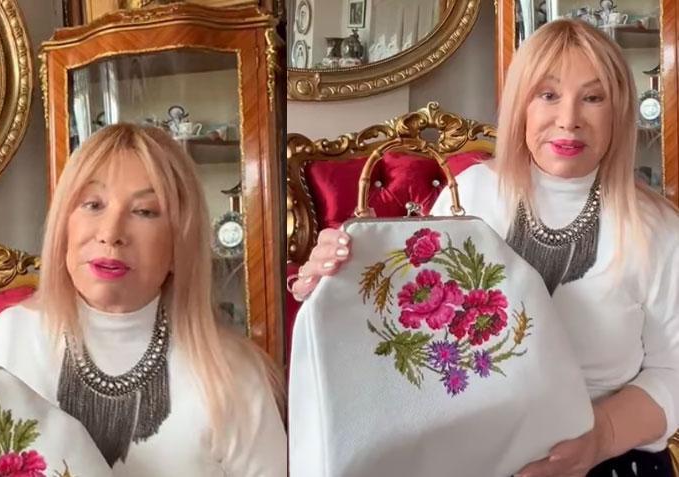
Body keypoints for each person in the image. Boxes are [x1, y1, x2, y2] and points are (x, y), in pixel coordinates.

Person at [290, 19, 679, 477]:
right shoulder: (472, 193)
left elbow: (673, 371)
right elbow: (402, 323)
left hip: (610, 462)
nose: (569, 119)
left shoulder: (658, 230)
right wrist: (335, 281)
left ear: (620, 111)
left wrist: (600, 438)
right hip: (467, 457)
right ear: (520, 106)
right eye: (548, 94)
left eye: (593, 98)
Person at [0, 124, 287, 476]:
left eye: (144, 211)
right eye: (92, 204)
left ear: (180, 242)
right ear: (63, 226)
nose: (111, 233)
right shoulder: (7, 342)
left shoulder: (234, 377)